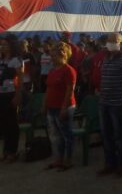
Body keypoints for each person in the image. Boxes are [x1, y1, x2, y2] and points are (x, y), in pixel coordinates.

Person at [97, 33, 122, 177]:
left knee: (120, 135)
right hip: (104, 102)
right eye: (109, 41)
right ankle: (110, 164)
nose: (110, 43)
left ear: (120, 43)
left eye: (114, 41)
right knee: (106, 135)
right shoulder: (105, 58)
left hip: (118, 103)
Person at [44, 42, 77, 171]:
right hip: (51, 107)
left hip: (63, 107)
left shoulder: (69, 70)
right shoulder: (52, 71)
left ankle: (68, 160)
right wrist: (44, 104)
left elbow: (70, 91)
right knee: (56, 135)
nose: (51, 58)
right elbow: (48, 88)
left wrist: (64, 108)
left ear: (62, 55)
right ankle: (58, 159)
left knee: (66, 135)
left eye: (54, 55)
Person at [0, 38, 23, 163]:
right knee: (3, 124)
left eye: (5, 45)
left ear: (12, 46)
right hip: (1, 94)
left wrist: (18, 96)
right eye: (1, 45)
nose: (2, 47)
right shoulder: (1, 59)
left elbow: (20, 79)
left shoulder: (17, 60)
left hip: (11, 94)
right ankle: (5, 151)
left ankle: (12, 152)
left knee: (12, 124)